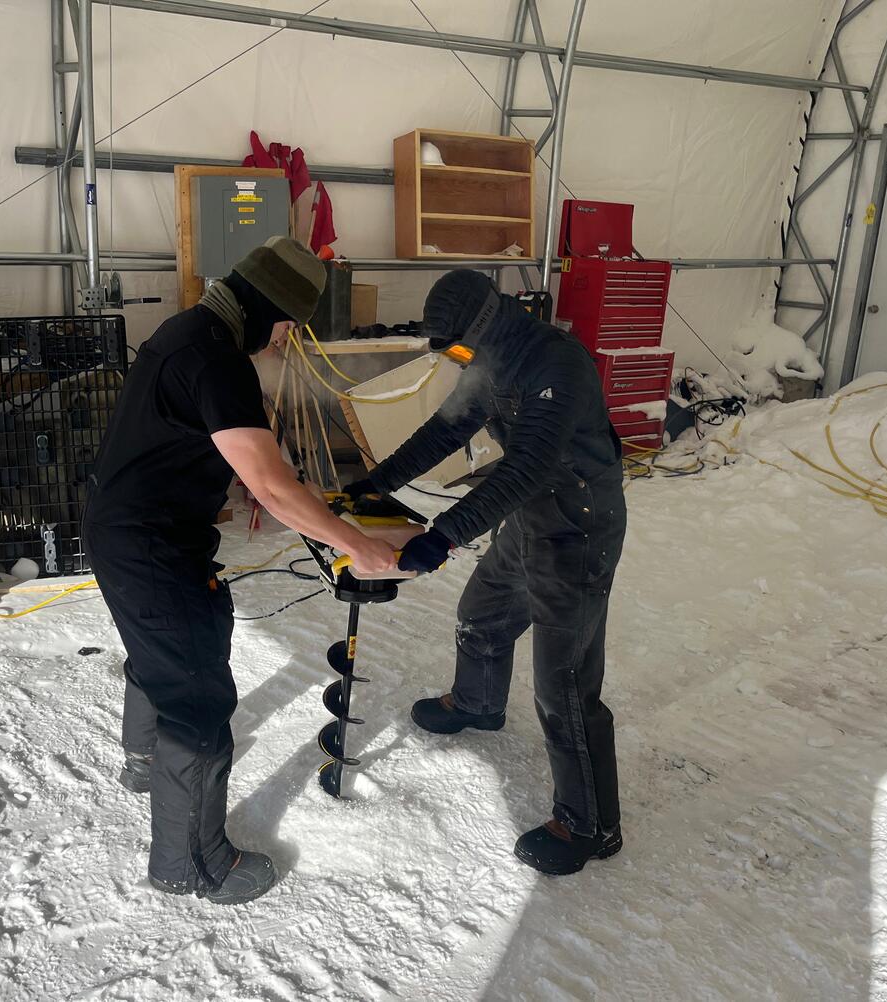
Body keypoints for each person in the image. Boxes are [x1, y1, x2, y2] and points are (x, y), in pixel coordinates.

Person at [83, 236, 397, 906]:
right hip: (152, 545)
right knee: (196, 692)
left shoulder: (187, 331)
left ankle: (145, 762)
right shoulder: (217, 359)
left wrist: (268, 481)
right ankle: (193, 864)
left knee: (161, 652)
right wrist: (356, 544)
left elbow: (229, 446)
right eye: (285, 327)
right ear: (268, 308)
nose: (282, 340)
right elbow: (274, 488)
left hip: (123, 527)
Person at [345, 269, 627, 876]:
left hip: (578, 527)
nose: (459, 362)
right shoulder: (491, 360)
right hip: (529, 515)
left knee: (563, 682)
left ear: (486, 326)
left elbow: (526, 466)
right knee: (483, 613)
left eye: (459, 351)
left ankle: (591, 825)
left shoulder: (556, 364)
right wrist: (376, 484)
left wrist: (442, 535)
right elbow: (447, 429)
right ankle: (477, 703)